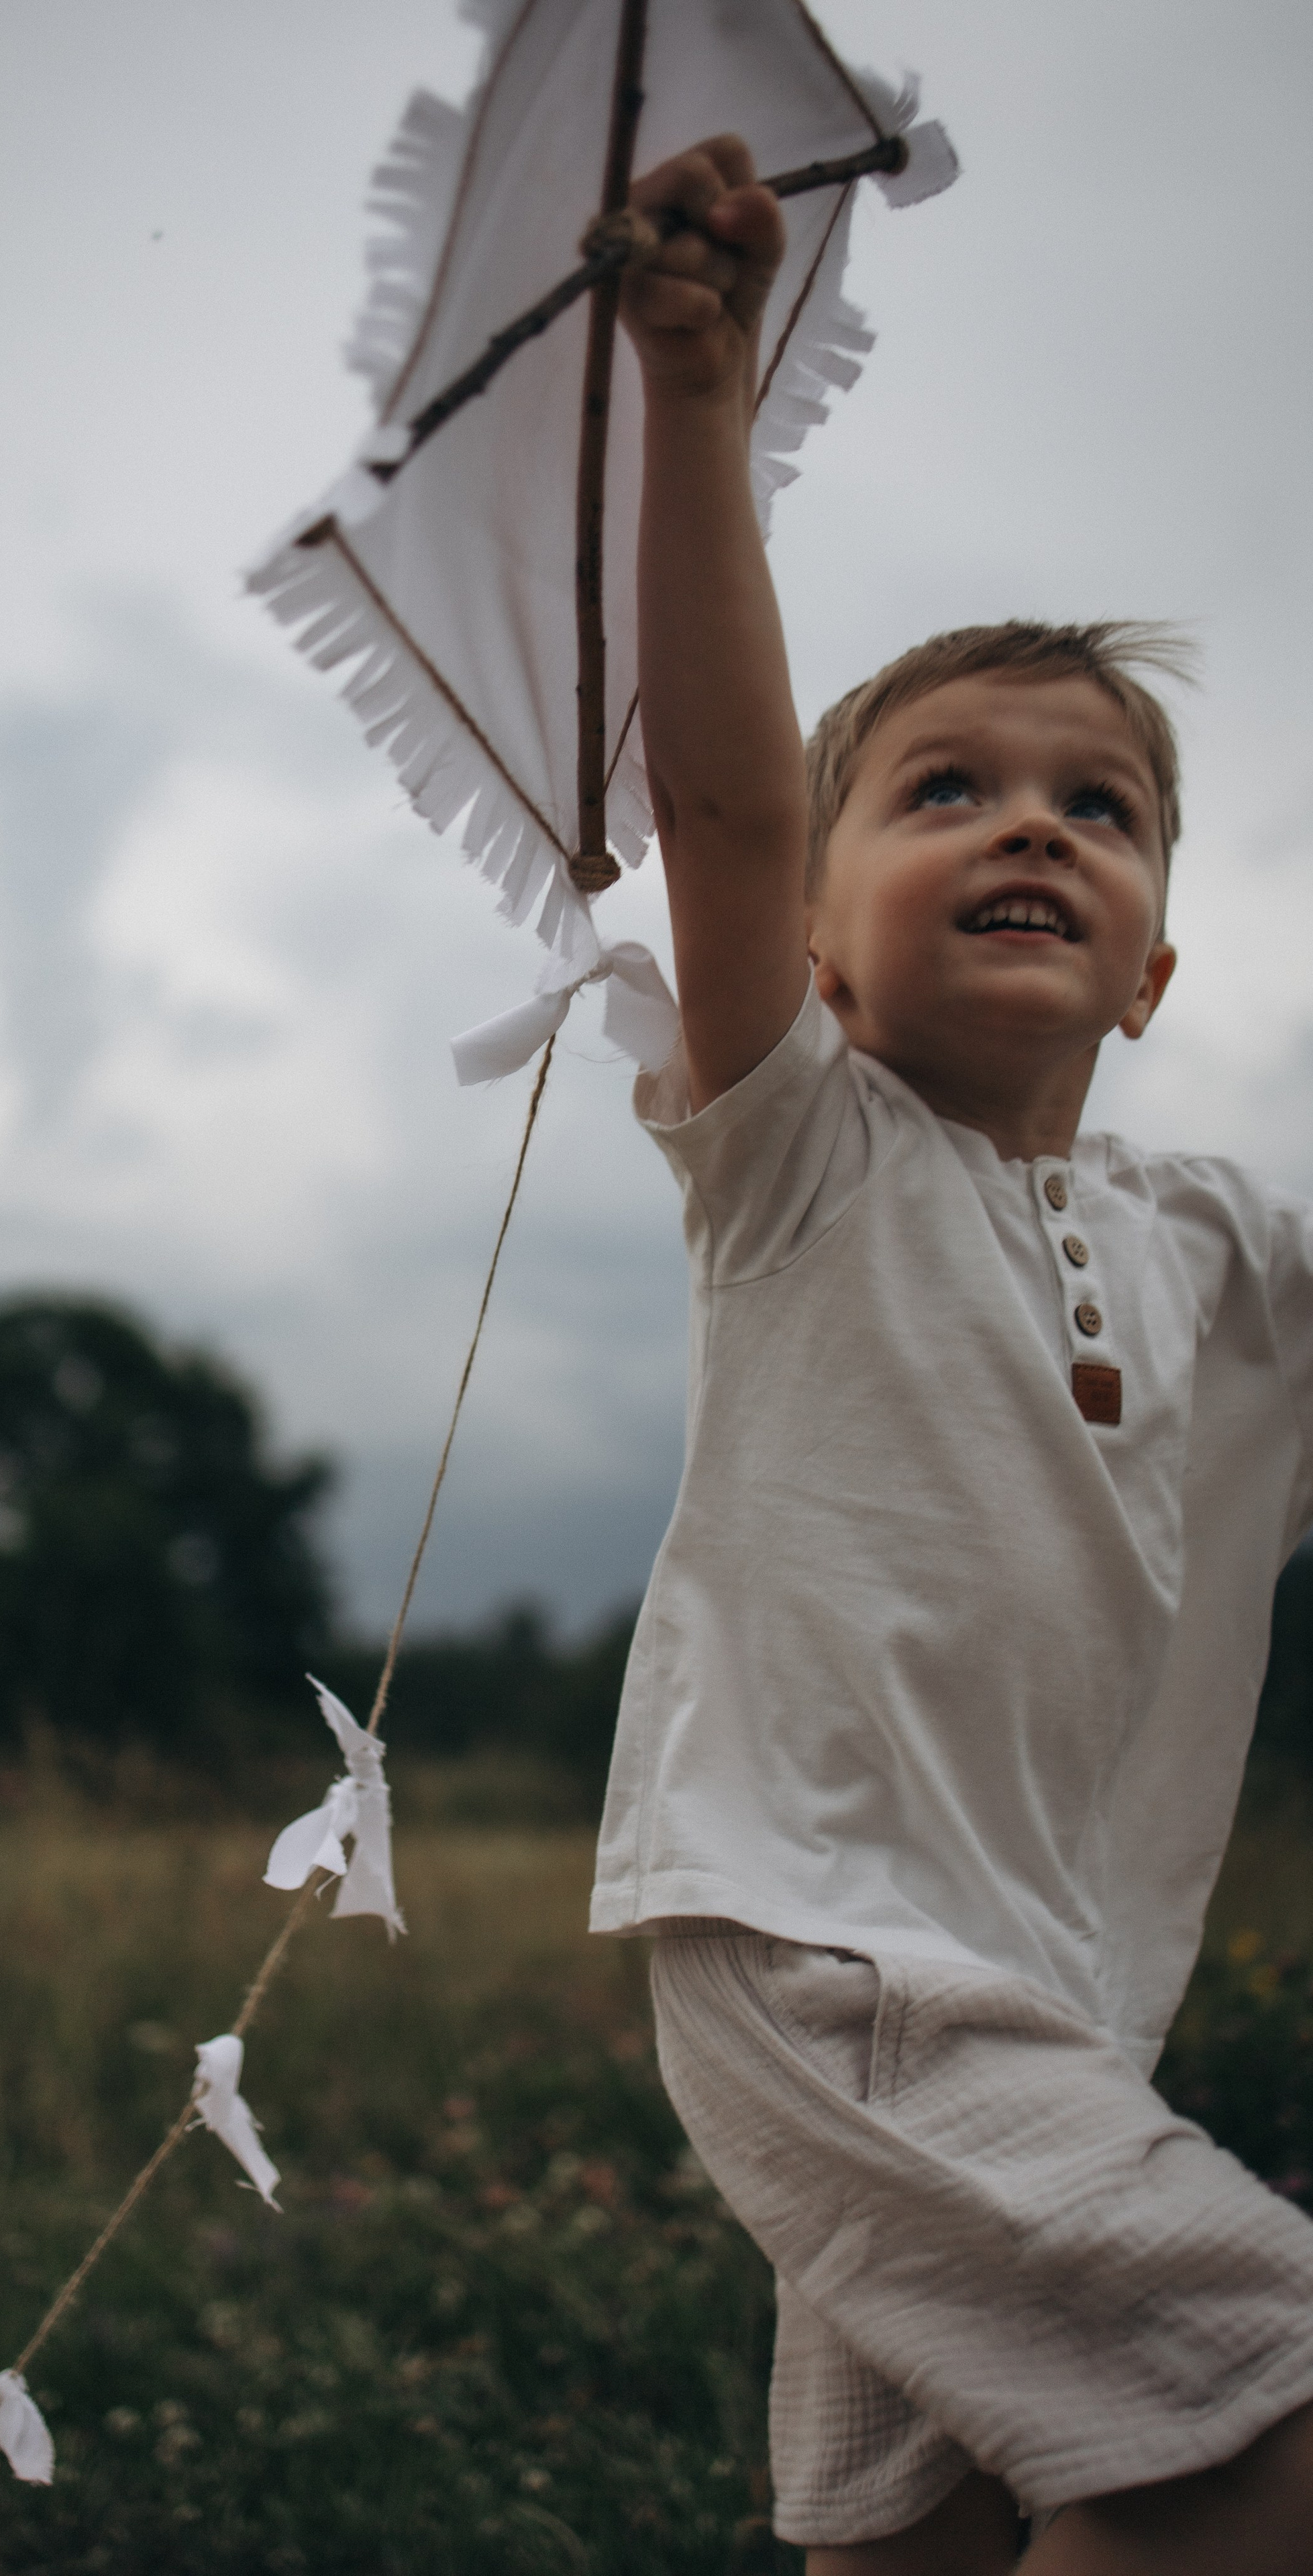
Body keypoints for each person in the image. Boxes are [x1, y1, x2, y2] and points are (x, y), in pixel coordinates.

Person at [590, 133, 1313, 2574]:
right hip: (828, 1951)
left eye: (1099, 807)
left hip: (1047, 1999)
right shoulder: (805, 1152)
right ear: (814, 940)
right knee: (1257, 2429)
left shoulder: (1224, 1255)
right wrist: (700, 394)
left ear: (1155, 968)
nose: (1031, 826)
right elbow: (716, 803)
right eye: (947, 791)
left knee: (923, 2536)